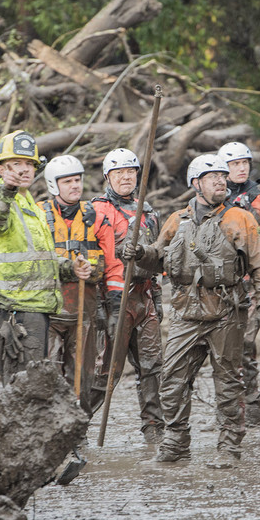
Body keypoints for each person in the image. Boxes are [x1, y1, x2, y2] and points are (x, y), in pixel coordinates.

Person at [124, 154, 260, 468]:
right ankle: (176, 445)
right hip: (186, 312)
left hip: (227, 311)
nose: (221, 181)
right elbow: (159, 257)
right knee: (172, 381)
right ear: (196, 184)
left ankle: (229, 450)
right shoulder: (177, 219)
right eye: (213, 177)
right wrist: (139, 252)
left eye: (223, 176)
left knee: (229, 384)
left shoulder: (240, 218)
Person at [0, 130, 91, 386]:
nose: (24, 170)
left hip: (36, 308)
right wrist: (7, 187)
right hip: (13, 310)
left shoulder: (32, 208)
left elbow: (41, 259)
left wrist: (71, 267)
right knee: (21, 387)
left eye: (29, 164)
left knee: (32, 386)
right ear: (0, 169)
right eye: (16, 164)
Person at [91, 148, 165, 444]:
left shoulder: (149, 213)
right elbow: (91, 257)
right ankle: (78, 427)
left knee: (152, 367)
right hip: (114, 299)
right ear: (107, 177)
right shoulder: (96, 211)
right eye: (118, 172)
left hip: (143, 298)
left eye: (130, 172)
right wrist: (99, 306)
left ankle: (154, 429)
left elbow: (159, 259)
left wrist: (157, 299)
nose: (125, 177)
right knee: (106, 371)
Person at [37, 154, 111, 415]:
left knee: (83, 378)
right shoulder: (38, 216)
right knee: (48, 375)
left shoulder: (96, 216)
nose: (75, 186)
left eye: (78, 180)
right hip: (49, 311)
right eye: (68, 181)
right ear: (54, 185)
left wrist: (94, 269)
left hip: (84, 312)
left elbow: (109, 258)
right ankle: (49, 427)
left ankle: (78, 433)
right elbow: (33, 261)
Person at [217, 141, 260, 426]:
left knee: (245, 345)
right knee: (222, 348)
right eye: (234, 164)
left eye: (244, 163)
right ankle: (230, 408)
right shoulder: (213, 197)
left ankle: (252, 407)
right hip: (220, 282)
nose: (241, 168)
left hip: (252, 279)